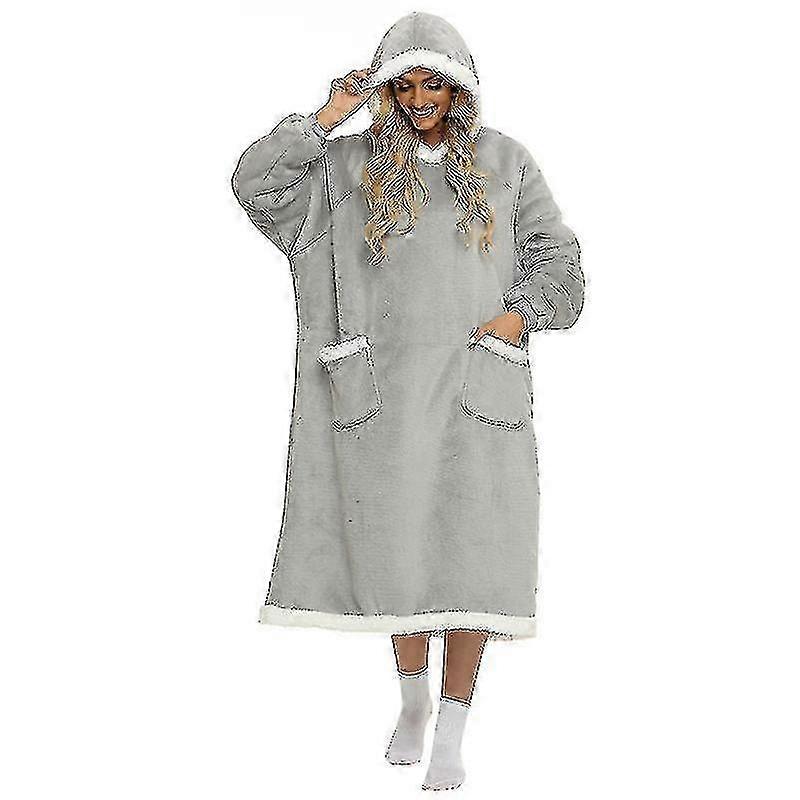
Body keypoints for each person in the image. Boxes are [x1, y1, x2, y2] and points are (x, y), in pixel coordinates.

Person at [231, 11, 584, 791]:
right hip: (382, 399)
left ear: (460, 90)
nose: (421, 99)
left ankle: (454, 727)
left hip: (475, 390)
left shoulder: (505, 161)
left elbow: (559, 259)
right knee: (402, 561)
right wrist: (327, 116)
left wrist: (519, 315)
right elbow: (254, 186)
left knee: (473, 563)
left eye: (436, 84)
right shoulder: (341, 168)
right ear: (385, 90)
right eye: (405, 85)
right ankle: (414, 703)